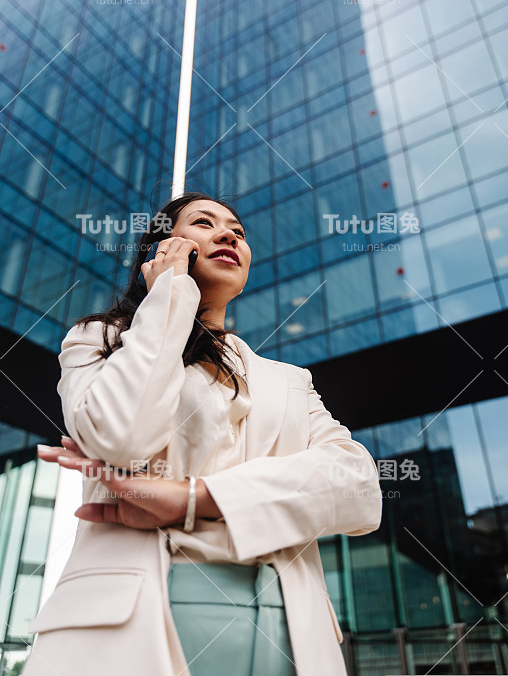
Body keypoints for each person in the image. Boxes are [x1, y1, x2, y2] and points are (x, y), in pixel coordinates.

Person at [23, 191, 382, 676]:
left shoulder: (290, 380)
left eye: (236, 229)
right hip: (130, 623)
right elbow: (121, 437)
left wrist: (195, 497)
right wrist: (170, 296)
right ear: (163, 248)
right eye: (204, 222)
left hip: (285, 626)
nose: (229, 234)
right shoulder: (97, 341)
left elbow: (358, 487)